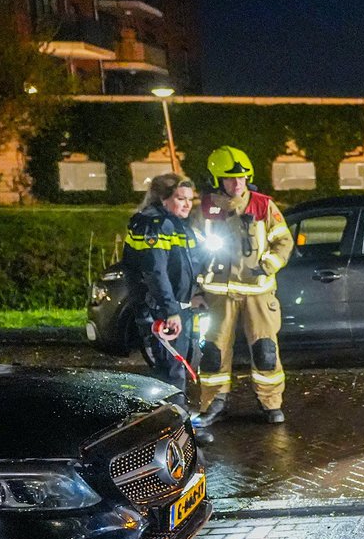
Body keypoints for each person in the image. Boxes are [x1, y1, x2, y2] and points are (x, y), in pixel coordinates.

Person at [192, 146, 294, 427]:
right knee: (212, 353)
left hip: (257, 292)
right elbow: (194, 252)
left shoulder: (263, 206)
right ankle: (213, 403)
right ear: (217, 180)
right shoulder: (207, 208)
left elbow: (284, 241)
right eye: (229, 179)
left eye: (241, 178)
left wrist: (268, 265)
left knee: (265, 350)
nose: (237, 184)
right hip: (217, 294)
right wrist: (195, 291)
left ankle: (270, 403)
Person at [122, 173, 212, 441]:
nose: (187, 205)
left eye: (189, 199)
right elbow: (155, 273)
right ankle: (176, 433)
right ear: (163, 198)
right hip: (160, 310)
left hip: (175, 307)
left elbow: (184, 267)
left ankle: (171, 425)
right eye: (180, 199)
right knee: (170, 370)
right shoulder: (155, 225)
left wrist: (193, 296)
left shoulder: (174, 223)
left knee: (173, 369)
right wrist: (171, 310)